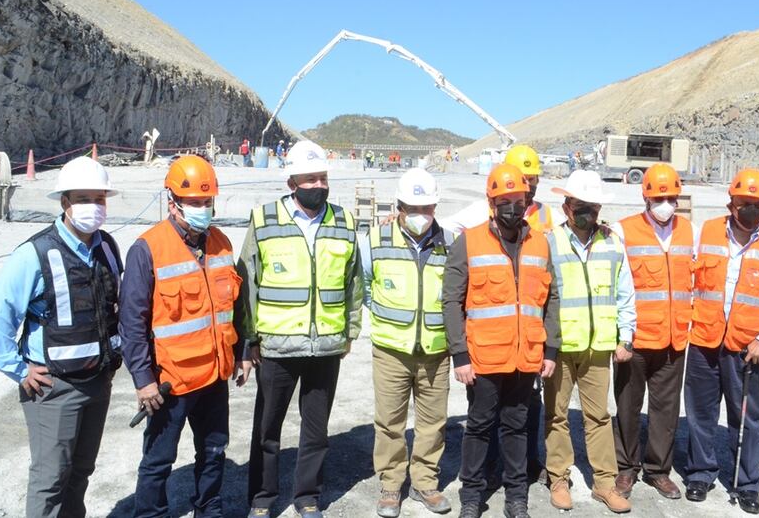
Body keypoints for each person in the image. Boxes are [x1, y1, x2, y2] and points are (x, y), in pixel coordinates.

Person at [0, 156, 122, 518]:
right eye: (83, 199)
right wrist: (18, 370)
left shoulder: (107, 247)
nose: (93, 206)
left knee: (81, 472)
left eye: (99, 198)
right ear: (64, 202)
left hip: (98, 380)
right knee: (51, 478)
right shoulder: (35, 253)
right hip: (54, 386)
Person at [120, 155, 252, 518]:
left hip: (214, 376)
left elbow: (235, 308)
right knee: (158, 460)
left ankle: (208, 509)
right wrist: (143, 380)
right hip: (170, 383)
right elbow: (131, 322)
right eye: (194, 202)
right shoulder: (147, 249)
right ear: (172, 202)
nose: (202, 209)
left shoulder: (221, 243)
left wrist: (242, 352)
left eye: (207, 201)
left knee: (214, 451)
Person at [239, 140, 361, 518]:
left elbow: (354, 283)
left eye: (323, 178)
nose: (319, 185)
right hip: (277, 346)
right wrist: (249, 339)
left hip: (326, 345)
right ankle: (262, 498)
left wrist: (350, 331)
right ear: (292, 183)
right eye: (310, 179)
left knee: (316, 430)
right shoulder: (264, 220)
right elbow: (248, 283)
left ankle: (307, 496)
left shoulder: (344, 222)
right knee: (267, 428)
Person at [441, 144, 566, 484]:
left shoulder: (544, 224)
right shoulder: (474, 229)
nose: (516, 204)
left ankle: (522, 475)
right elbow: (452, 294)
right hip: (486, 351)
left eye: (530, 184)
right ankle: (481, 478)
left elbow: (550, 289)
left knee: (521, 418)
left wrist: (549, 347)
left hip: (526, 349)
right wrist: (460, 353)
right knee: (483, 420)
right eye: (506, 199)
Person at [683, 168, 759, 515]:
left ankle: (746, 482)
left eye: (757, 204)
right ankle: (700, 473)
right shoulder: (707, 232)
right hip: (704, 340)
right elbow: (690, 281)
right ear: (731, 203)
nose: (750, 209)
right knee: (701, 414)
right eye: (744, 202)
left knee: (747, 418)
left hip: (750, 348)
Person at [359, 168, 453, 518]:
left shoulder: (450, 241)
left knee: (433, 422)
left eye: (427, 208)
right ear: (398, 207)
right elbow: (365, 286)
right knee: (389, 421)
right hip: (391, 351)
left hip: (436, 350)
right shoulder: (375, 240)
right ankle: (391, 484)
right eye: (413, 209)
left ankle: (425, 482)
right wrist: (391, 319)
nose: (421, 215)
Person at [542, 170, 633, 513]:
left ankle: (605, 484)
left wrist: (626, 336)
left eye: (593, 207)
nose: (587, 213)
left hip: (599, 346)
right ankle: (559, 479)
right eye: (581, 206)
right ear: (566, 206)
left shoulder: (612, 242)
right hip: (561, 347)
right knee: (557, 416)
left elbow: (625, 292)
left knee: (599, 417)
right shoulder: (550, 242)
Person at [611, 163, 699, 501]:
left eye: (671, 198)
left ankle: (658, 470)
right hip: (634, 340)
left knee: (666, 410)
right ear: (645, 198)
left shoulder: (690, 231)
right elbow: (614, 285)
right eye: (659, 198)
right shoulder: (623, 231)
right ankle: (626, 467)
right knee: (627, 407)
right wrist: (620, 335)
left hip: (673, 340)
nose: (666, 204)